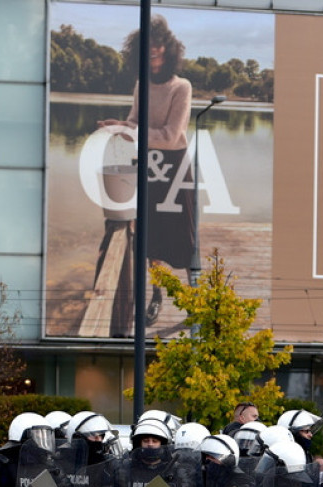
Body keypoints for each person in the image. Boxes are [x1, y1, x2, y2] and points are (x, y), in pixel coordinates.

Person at [97, 14, 194, 325]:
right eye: (148, 46)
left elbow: (170, 137)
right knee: (148, 237)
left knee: (183, 238)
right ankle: (156, 293)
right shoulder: (141, 83)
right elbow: (136, 123)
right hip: (145, 168)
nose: (154, 50)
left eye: (159, 45)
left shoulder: (182, 86)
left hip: (174, 170)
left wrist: (134, 131)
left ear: (169, 48)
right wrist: (120, 126)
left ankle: (194, 298)